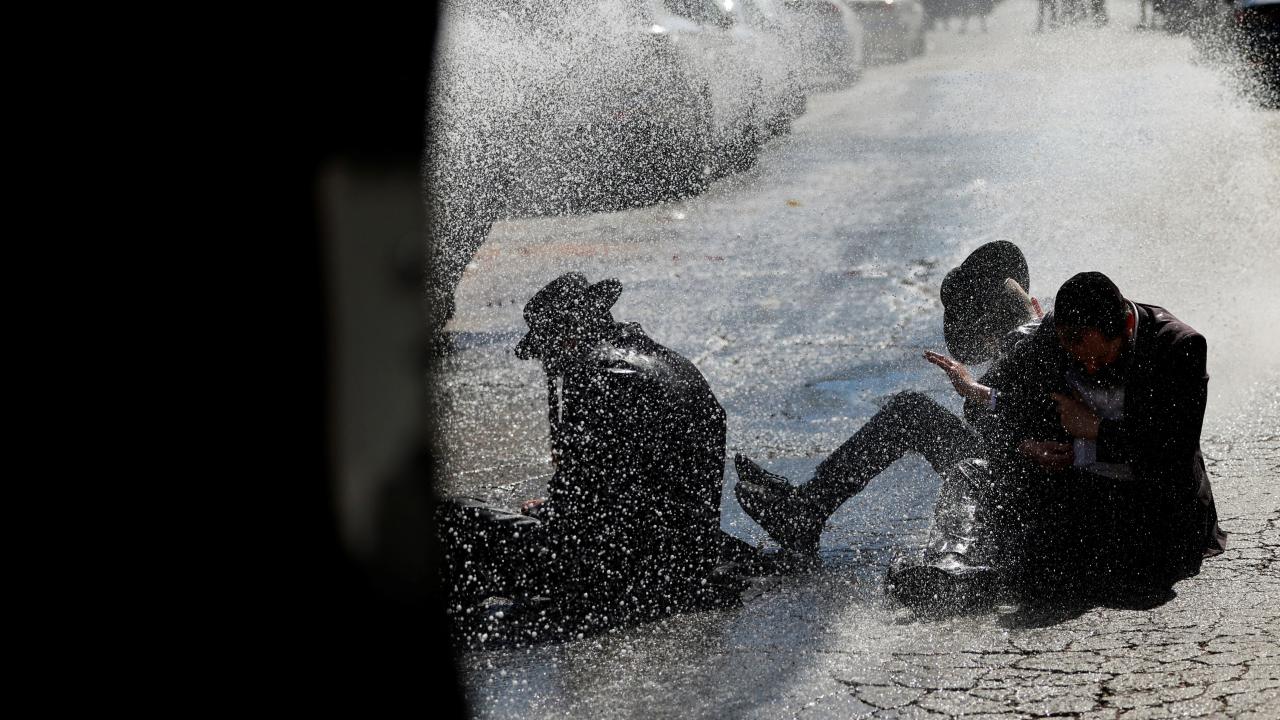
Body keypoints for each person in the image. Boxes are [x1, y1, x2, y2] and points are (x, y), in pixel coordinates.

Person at [437, 272, 732, 636]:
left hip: (618, 578)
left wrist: (555, 511)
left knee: (453, 513)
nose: (549, 364)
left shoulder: (593, 374)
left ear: (567, 334)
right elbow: (632, 485)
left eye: (549, 350)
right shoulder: (674, 363)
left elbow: (583, 513)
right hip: (685, 563)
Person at [734, 241, 1042, 556]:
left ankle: (805, 511)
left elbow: (1025, 426)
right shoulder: (1042, 340)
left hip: (1023, 495)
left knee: (909, 412)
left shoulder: (1028, 356)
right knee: (910, 411)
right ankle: (807, 505)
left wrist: (974, 391)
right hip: (1014, 474)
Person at [974, 271, 1227, 599]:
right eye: (1077, 356)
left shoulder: (1179, 347)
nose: (1091, 368)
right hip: (1082, 492)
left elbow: (1171, 453)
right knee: (1016, 546)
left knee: (1060, 571)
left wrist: (1095, 429)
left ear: (1125, 329)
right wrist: (1026, 444)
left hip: (1158, 512)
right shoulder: (1055, 334)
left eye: (1101, 357)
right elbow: (987, 401)